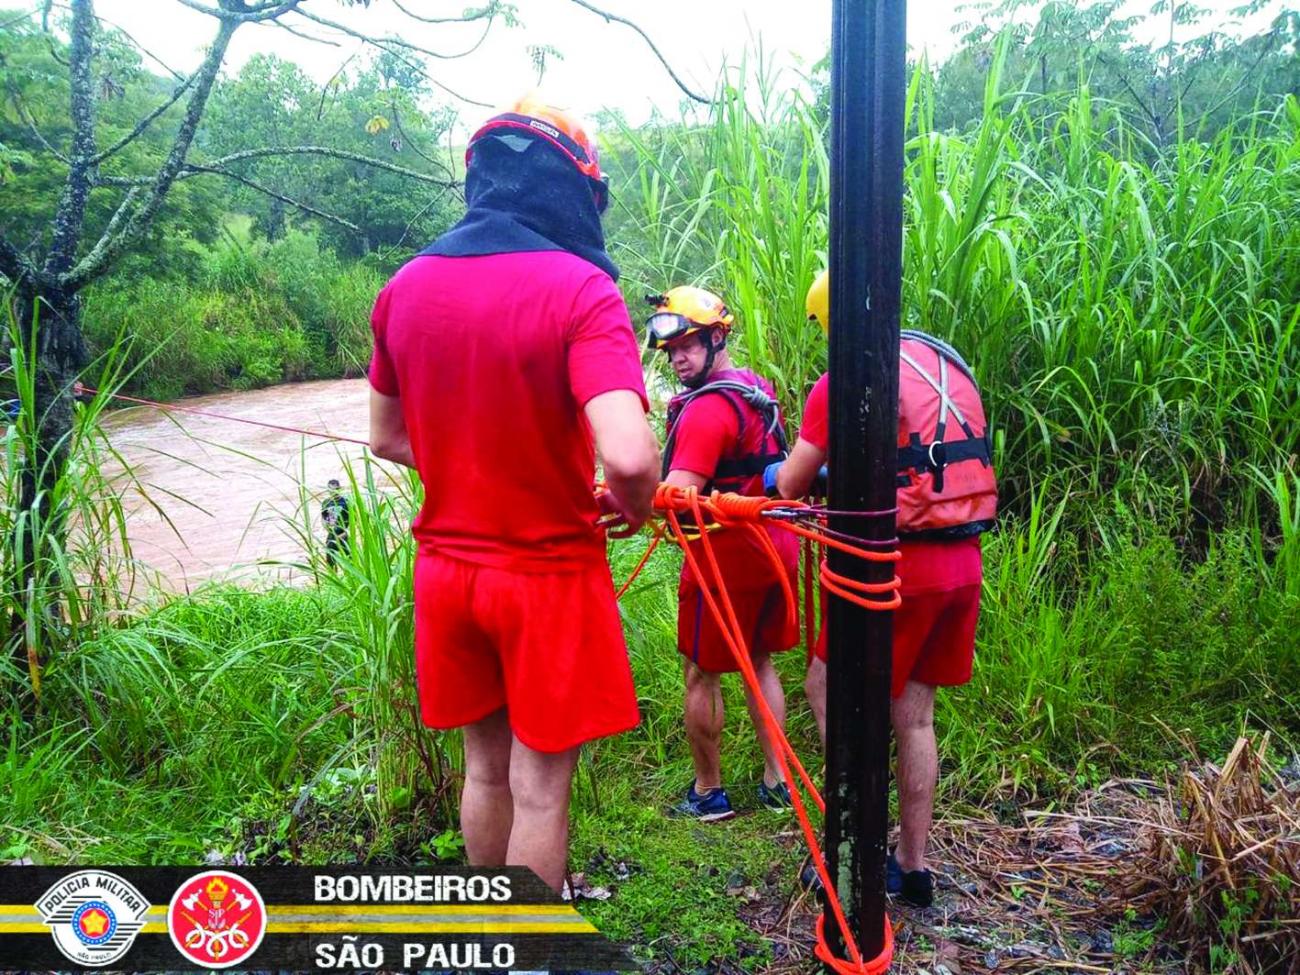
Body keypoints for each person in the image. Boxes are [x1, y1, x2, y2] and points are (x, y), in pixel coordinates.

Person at [367, 94, 660, 892]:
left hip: (447, 577)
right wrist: (633, 505)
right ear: (577, 190)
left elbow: (387, 438)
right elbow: (630, 456)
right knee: (539, 786)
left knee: (485, 772)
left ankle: (485, 934)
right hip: (545, 577)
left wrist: (471, 460)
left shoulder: (404, 287)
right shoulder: (581, 290)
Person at [772, 270, 998, 908]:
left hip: (899, 569)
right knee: (915, 715)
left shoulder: (843, 376)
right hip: (962, 561)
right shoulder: (936, 362)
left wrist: (777, 473)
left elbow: (789, 485)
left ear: (830, 324)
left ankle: (854, 847)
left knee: (828, 688)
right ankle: (913, 865)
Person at [647, 286, 799, 821]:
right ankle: (778, 782)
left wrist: (626, 496)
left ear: (717, 338)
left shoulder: (708, 410)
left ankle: (708, 792)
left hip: (725, 556)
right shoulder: (756, 388)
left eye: (688, 345)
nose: (678, 359)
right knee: (759, 660)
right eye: (671, 351)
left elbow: (676, 495)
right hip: (775, 546)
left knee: (699, 672)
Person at [321, 478, 351, 568]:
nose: (333, 492)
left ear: (339, 489)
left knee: (350, 560)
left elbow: (355, 521)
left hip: (344, 535)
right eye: (331, 490)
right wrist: (327, 525)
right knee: (330, 560)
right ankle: (333, 577)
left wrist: (345, 533)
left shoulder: (346, 502)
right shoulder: (326, 503)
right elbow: (325, 521)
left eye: (336, 489)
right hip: (332, 535)